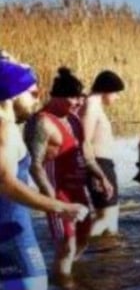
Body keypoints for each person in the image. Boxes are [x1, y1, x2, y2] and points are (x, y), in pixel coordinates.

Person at [0, 57, 88, 290]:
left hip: (8, 229)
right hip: (11, 233)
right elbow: (7, 183)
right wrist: (58, 207)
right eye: (32, 92)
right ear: (10, 95)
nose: (37, 100)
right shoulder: (5, 130)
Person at [24, 67, 107, 279]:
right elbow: (35, 165)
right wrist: (52, 202)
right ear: (57, 96)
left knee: (83, 238)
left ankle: (66, 277)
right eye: (74, 98)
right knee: (66, 245)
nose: (79, 103)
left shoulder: (73, 120)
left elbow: (86, 156)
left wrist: (101, 177)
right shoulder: (41, 122)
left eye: (81, 98)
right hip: (57, 192)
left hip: (77, 190)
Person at [81, 69, 125, 236]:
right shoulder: (92, 105)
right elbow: (84, 141)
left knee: (110, 218)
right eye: (116, 93)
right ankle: (77, 249)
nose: (117, 97)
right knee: (105, 217)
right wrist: (98, 174)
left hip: (103, 164)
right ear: (107, 89)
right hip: (98, 164)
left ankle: (108, 258)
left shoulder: (94, 105)